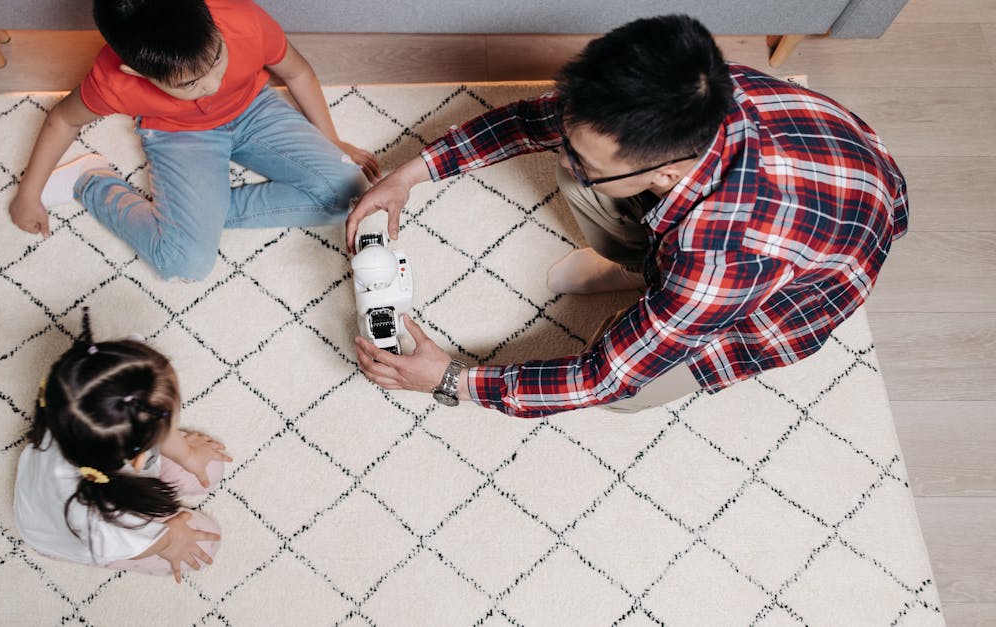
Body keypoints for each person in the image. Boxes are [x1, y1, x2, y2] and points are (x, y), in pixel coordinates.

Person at [345, 14, 907, 417]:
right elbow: (534, 124)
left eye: (584, 157)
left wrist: (450, 381)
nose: (563, 155)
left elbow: (601, 378)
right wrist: (408, 175)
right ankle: (645, 266)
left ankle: (651, 277)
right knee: (581, 177)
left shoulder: (723, 263)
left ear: (665, 173)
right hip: (824, 172)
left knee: (630, 394)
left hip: (780, 297)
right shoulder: (690, 89)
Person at [8, 0, 380, 281]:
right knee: (182, 263)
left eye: (217, 57)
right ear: (137, 72)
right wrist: (29, 193)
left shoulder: (241, 19)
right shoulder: (115, 81)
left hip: (254, 108)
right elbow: (61, 119)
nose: (213, 84)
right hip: (179, 135)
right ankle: (88, 181)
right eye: (189, 84)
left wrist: (331, 141)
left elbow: (296, 71)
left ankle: (193, 220)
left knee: (353, 195)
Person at [14, 310, 234, 582]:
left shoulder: (82, 397)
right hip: (63, 532)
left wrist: (187, 454)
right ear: (139, 459)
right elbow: (127, 544)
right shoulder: (100, 526)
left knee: (207, 470)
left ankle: (161, 447)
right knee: (203, 542)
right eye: (170, 421)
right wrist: (169, 539)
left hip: (93, 472)